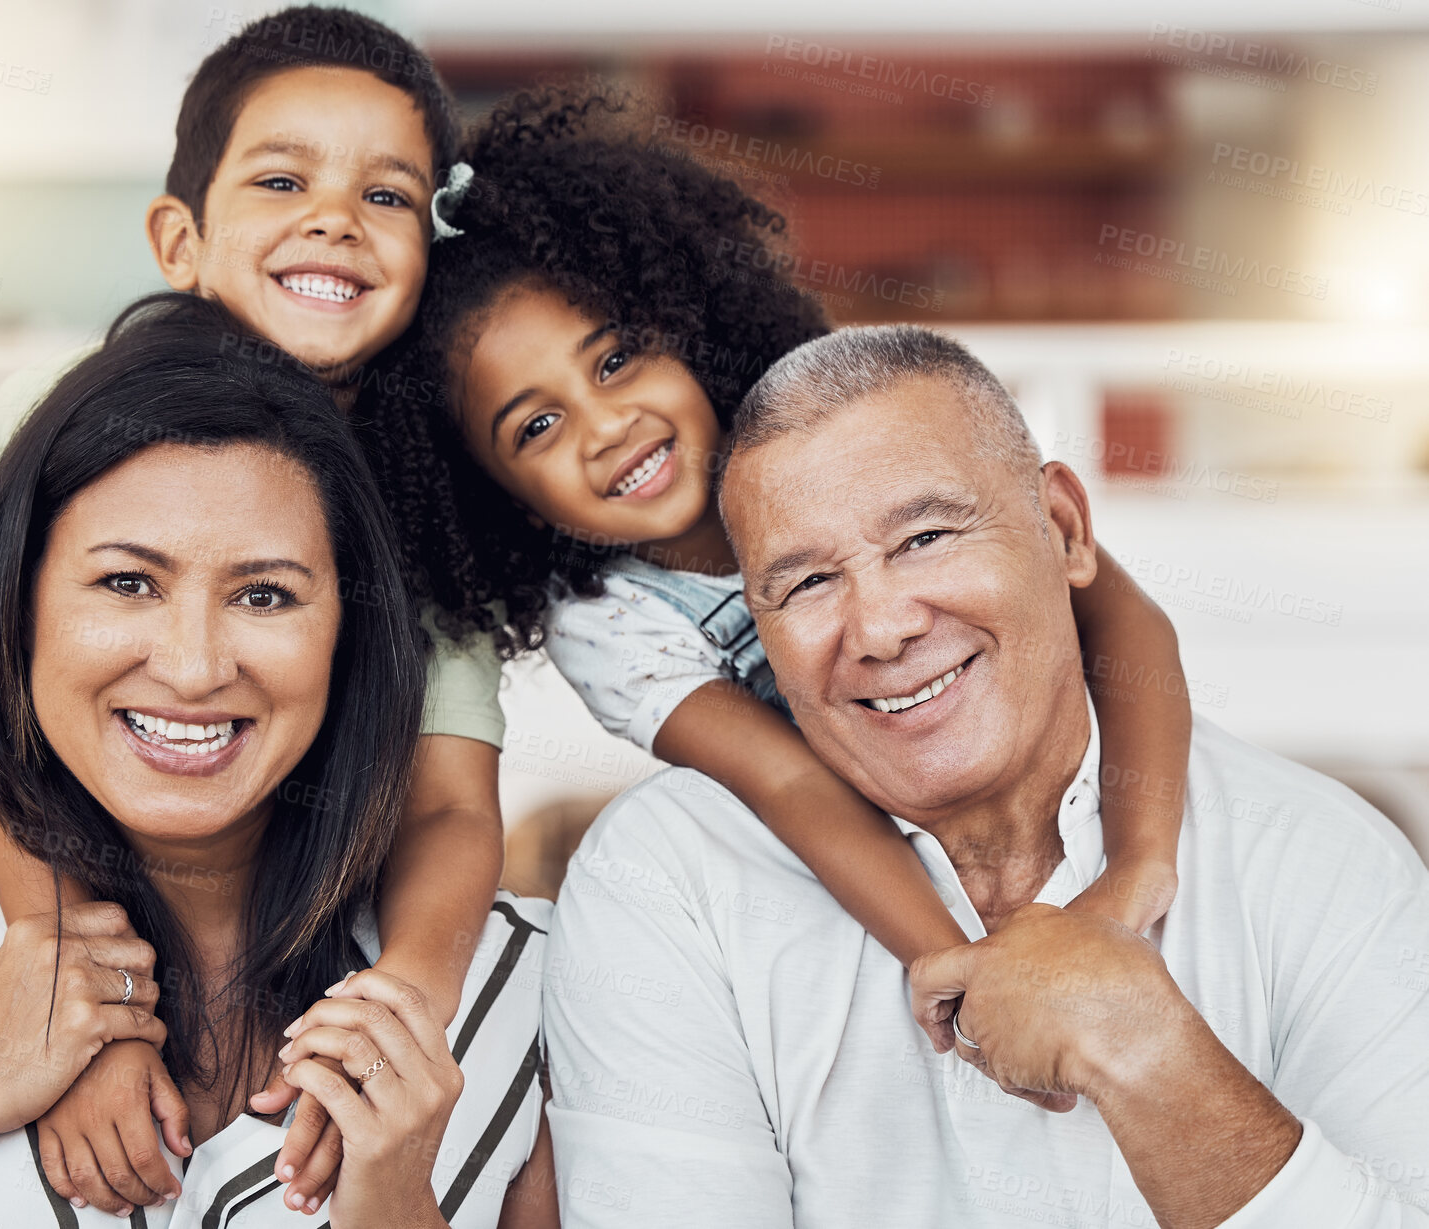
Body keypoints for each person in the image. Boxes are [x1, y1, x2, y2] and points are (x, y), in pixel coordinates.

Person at [0, 7, 508, 1214]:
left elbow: (448, 799)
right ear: (180, 240)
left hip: (128, 839)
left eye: (387, 196)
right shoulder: (66, 408)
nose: (334, 216)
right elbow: (2, 717)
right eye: (283, 178)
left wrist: (402, 1012)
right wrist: (91, 1011)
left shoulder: (428, 498)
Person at [542, 324, 1429, 1227]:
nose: (881, 629)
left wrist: (1147, 1049)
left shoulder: (1328, 864)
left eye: (925, 536)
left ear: (1065, 530)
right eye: (805, 584)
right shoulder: (666, 883)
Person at [367, 87, 1189, 1002]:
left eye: (615, 360)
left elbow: (1126, 623)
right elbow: (795, 788)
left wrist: (1141, 868)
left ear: (687, 327)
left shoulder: (837, 428)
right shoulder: (609, 625)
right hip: (883, 887)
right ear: (504, 502)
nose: (607, 425)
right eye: (538, 426)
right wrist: (958, 967)